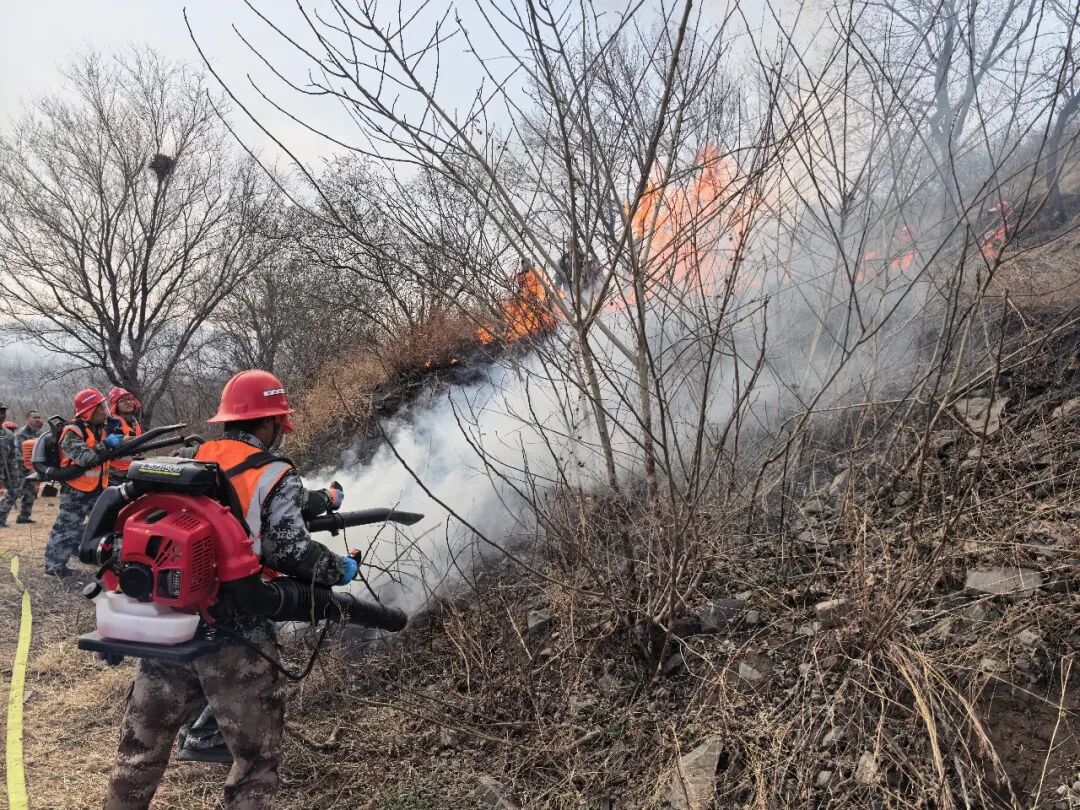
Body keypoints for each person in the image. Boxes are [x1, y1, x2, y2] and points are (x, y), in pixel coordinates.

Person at [103, 370, 351, 810]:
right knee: (255, 764)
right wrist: (337, 569)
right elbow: (289, 551)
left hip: (171, 623)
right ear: (271, 422)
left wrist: (321, 500)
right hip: (237, 631)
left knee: (139, 752)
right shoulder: (275, 472)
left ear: (228, 418)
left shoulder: (188, 457)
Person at [42, 389, 119, 576]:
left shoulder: (99, 428)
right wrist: (106, 444)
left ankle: (85, 551)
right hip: (76, 490)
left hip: (97, 487)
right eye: (100, 407)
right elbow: (83, 458)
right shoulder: (72, 431)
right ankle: (54, 568)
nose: (105, 411)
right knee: (66, 527)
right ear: (89, 411)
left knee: (100, 523)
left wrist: (115, 434)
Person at [0, 410, 44, 526]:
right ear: (27, 419)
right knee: (15, 491)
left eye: (39, 417)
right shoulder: (21, 434)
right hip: (19, 467)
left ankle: (24, 516)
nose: (38, 419)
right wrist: (28, 465)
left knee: (30, 491)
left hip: (32, 467)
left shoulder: (39, 434)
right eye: (35, 417)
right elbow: (17, 453)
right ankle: (1, 517)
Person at [105, 387, 143, 484]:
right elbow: (104, 449)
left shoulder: (134, 420)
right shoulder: (112, 422)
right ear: (115, 405)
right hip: (116, 473)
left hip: (133, 467)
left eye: (130, 398)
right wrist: (121, 442)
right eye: (122, 400)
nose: (128, 402)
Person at [0, 409, 22, 528]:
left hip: (6, 467)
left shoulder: (8, 434)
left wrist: (14, 473)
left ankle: (1, 518)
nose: (1, 415)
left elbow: (12, 455)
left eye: (3, 412)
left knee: (15, 489)